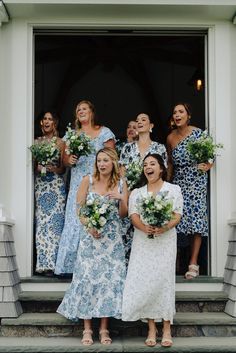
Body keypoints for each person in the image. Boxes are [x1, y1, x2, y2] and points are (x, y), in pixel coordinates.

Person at [57, 147, 127, 345]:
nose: (102, 164)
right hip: (91, 238)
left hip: (112, 240)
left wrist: (121, 198)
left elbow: (123, 214)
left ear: (113, 162)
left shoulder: (121, 182)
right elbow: (79, 208)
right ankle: (87, 328)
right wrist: (90, 227)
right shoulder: (88, 180)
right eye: (99, 161)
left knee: (108, 280)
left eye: (106, 160)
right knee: (87, 279)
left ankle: (104, 328)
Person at [122, 153, 183, 347]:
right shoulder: (137, 193)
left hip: (165, 241)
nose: (148, 167)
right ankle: (151, 328)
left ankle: (166, 327)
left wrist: (164, 227)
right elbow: (133, 215)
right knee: (147, 281)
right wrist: (144, 227)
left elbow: (177, 214)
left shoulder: (173, 189)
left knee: (163, 281)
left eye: (152, 164)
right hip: (143, 241)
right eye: (145, 164)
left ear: (162, 168)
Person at [55, 100, 115, 275]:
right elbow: (64, 161)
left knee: (96, 216)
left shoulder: (103, 132)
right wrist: (70, 160)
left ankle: (94, 263)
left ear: (91, 112)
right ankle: (70, 266)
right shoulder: (71, 135)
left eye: (84, 109)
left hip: (98, 182)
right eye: (78, 109)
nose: (81, 111)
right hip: (77, 183)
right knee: (75, 219)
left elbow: (112, 156)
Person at [166, 103, 213, 279]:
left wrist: (208, 165)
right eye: (174, 112)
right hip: (179, 182)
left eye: (181, 112)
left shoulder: (198, 133)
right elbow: (170, 163)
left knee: (196, 221)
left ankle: (193, 263)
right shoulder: (170, 138)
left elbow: (211, 153)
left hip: (197, 181)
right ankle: (176, 261)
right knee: (176, 221)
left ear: (188, 115)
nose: (177, 115)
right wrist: (167, 183)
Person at [119, 113, 168, 263]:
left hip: (151, 199)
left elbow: (163, 174)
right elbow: (122, 175)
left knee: (148, 236)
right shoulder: (127, 148)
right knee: (127, 238)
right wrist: (125, 198)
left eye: (143, 120)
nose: (139, 122)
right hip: (131, 196)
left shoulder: (159, 148)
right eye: (137, 120)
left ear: (151, 126)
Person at [34, 111, 66, 275]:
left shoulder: (60, 143)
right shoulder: (36, 142)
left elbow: (63, 167)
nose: (47, 121)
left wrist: (54, 168)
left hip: (55, 186)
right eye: (44, 119)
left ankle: (54, 264)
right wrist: (38, 167)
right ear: (41, 123)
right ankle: (42, 263)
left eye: (50, 119)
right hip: (41, 185)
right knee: (42, 222)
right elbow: (32, 166)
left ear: (55, 123)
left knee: (55, 223)